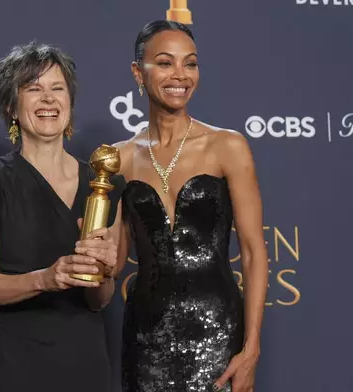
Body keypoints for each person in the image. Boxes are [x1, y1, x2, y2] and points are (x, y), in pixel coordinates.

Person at [112, 21, 268, 392]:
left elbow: (252, 252)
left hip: (218, 334)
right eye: (165, 63)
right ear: (138, 72)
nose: (180, 75)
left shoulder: (227, 146)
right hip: (145, 341)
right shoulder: (117, 159)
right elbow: (113, 263)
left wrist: (250, 351)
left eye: (191, 63)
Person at [0, 42, 124, 392]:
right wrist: (45, 279)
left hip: (84, 364)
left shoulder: (105, 186)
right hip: (10, 366)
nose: (48, 99)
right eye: (33, 89)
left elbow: (100, 300)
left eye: (57, 88)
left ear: (70, 103)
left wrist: (105, 273)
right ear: (11, 107)